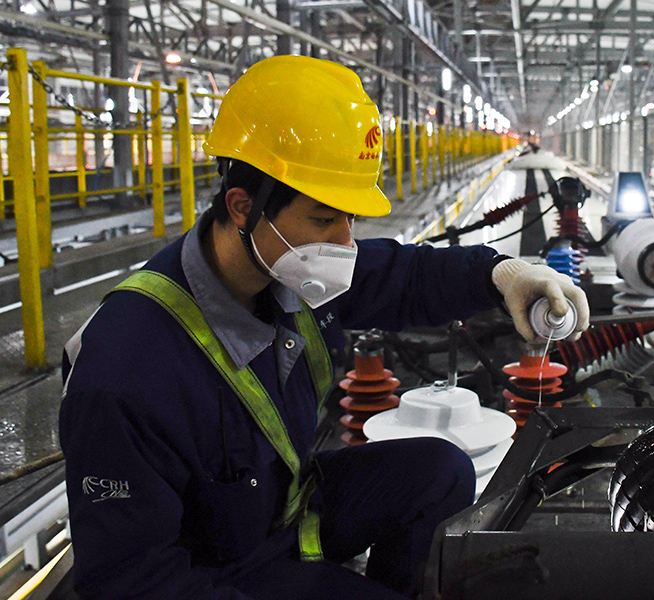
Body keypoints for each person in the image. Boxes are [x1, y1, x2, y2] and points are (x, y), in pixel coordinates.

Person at [59, 55, 588, 600]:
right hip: (216, 574)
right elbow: (132, 582)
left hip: (279, 511)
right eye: (322, 218)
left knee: (440, 469)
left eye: (350, 219)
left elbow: (405, 276)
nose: (342, 244)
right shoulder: (125, 370)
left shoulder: (284, 267)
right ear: (242, 206)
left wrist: (501, 274)